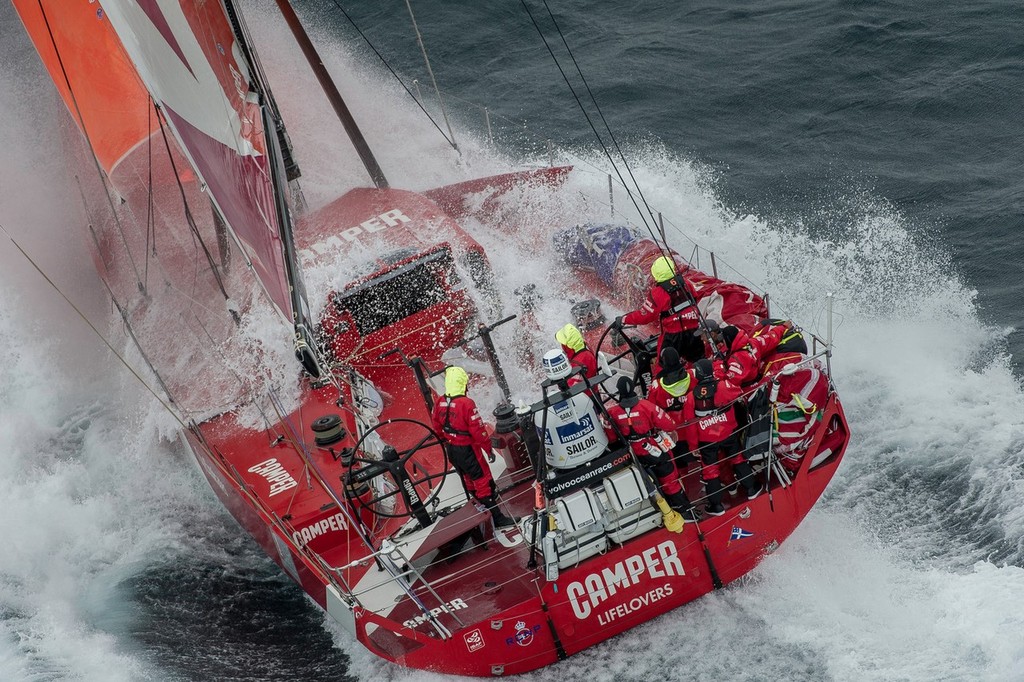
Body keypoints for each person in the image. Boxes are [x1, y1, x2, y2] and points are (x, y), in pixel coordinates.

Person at [430, 366, 516, 528]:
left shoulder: (440, 402)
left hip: (452, 449)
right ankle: (497, 517)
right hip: (468, 450)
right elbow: (478, 431)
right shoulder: (466, 403)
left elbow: (437, 427)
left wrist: (447, 439)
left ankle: (480, 505)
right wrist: (488, 449)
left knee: (468, 479)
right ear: (463, 384)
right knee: (481, 479)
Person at [602, 376, 694, 517]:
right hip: (653, 450)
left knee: (647, 486)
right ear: (633, 387)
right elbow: (669, 424)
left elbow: (611, 438)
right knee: (670, 479)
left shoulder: (612, 413)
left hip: (631, 456)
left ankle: (663, 511)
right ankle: (684, 511)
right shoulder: (647, 406)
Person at [684, 358, 762, 515]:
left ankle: (716, 506)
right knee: (738, 459)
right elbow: (739, 392)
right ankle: (751, 488)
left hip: (706, 439)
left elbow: (690, 424)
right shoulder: (722, 386)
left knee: (710, 471)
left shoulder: (691, 397)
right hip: (728, 432)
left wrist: (693, 446)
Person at [614, 255, 705, 364]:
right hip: (694, 331)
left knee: (663, 368)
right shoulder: (686, 283)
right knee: (700, 362)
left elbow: (645, 316)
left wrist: (624, 319)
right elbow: (695, 299)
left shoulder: (657, 293)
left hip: (673, 336)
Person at [646, 347, 697, 466]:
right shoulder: (693, 376)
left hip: (673, 433)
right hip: (695, 428)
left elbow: (652, 410)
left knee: (679, 463)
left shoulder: (656, 386)